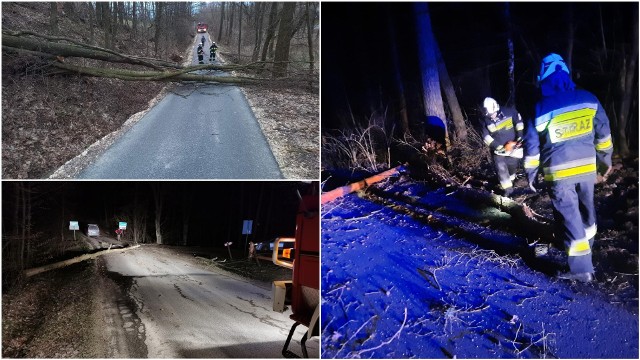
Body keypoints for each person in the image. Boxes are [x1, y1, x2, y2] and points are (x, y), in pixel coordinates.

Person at [523, 53, 613, 283]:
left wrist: (531, 174)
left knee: (569, 217)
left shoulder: (540, 107)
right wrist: (605, 161)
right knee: (586, 212)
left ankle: (581, 269)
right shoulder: (588, 99)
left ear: (543, 78)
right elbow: (603, 133)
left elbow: (532, 146)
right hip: (587, 169)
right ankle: (587, 253)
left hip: (559, 172)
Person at [481, 97, 524, 197]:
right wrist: (497, 147)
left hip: (514, 147)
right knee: (501, 167)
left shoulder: (510, 112)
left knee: (512, 166)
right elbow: (485, 136)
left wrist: (520, 136)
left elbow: (519, 123)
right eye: (489, 115)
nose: (492, 117)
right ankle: (508, 190)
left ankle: (511, 182)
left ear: (497, 108)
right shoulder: (485, 120)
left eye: (493, 114)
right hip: (498, 150)